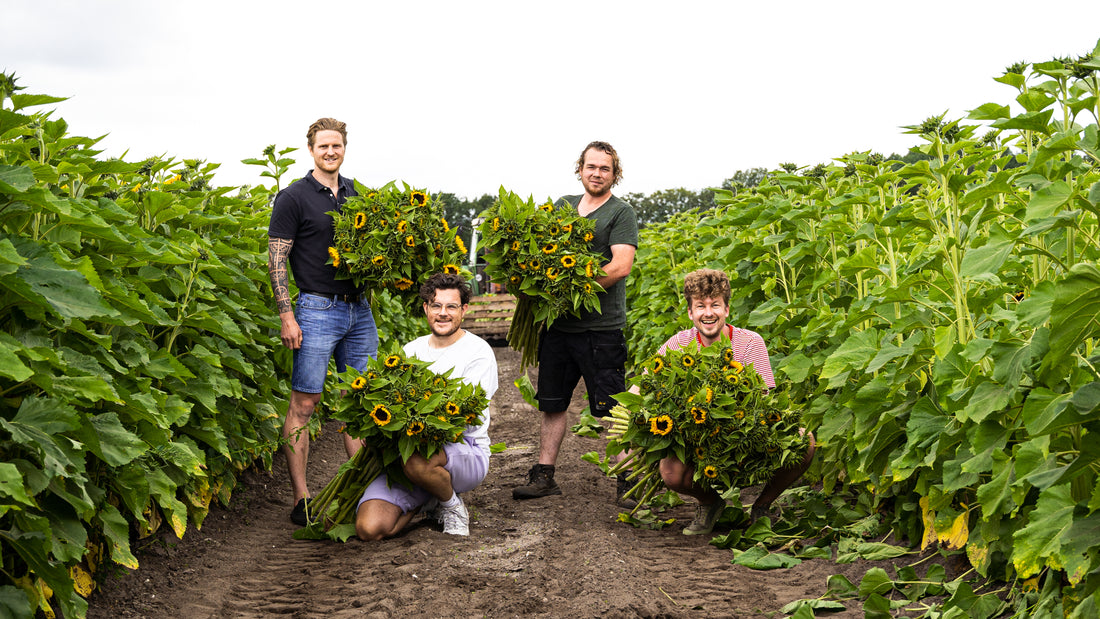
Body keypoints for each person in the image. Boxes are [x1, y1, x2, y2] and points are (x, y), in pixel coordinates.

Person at [512, 141, 639, 502]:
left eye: (604, 169)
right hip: (558, 330)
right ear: (580, 169)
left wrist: (569, 290)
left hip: (601, 330)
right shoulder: (562, 207)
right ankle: (544, 475)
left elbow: (620, 266)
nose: (596, 174)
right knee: (552, 403)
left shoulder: (620, 213)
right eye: (591, 167)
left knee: (612, 410)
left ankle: (625, 480)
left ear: (615, 174)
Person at [268, 118, 379, 526]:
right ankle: (302, 498)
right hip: (315, 310)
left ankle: (367, 492)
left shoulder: (357, 194)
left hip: (359, 310)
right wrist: (287, 314)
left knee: (363, 401)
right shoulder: (293, 197)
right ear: (311, 150)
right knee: (305, 403)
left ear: (344, 148)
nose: (330, 152)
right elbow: (277, 258)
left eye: (336, 145)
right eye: (323, 146)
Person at [654, 269, 816, 535]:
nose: (708, 313)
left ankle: (761, 507)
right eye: (700, 306)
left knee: (803, 441)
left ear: (727, 309)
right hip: (695, 439)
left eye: (715, 305)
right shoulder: (679, 344)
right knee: (671, 473)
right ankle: (710, 503)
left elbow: (765, 397)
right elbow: (646, 383)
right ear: (690, 313)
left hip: (744, 432)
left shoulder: (749, 342)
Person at [356, 273, 499, 539]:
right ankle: (428, 499)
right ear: (426, 309)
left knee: (416, 461)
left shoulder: (478, 352)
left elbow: (462, 418)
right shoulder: (411, 350)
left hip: (464, 451)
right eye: (436, 305)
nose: (443, 313)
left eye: (451, 306)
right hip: (408, 455)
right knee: (369, 528)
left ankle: (453, 506)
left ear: (463, 310)